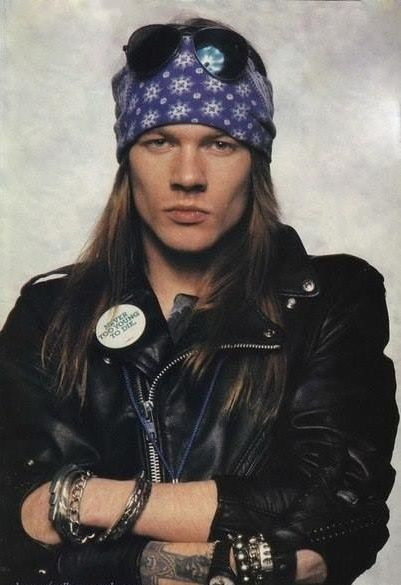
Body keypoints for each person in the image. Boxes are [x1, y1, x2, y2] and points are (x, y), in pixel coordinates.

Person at [0, 15, 398, 585]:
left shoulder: (329, 301)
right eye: (159, 141)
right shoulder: (50, 316)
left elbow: (335, 504)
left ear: (255, 161)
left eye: (220, 143)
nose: (188, 176)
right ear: (127, 158)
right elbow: (15, 537)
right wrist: (216, 564)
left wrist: (85, 499)